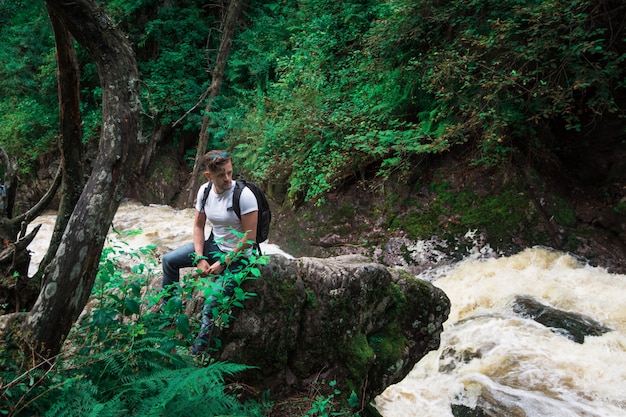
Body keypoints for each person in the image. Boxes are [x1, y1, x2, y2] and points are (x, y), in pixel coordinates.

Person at [161, 150, 259, 354]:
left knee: (212, 304)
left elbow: (249, 239)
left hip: (239, 256)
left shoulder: (245, 195)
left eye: (230, 172)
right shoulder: (205, 191)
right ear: (209, 176)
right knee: (169, 260)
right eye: (221, 175)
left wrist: (224, 263)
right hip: (213, 246)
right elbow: (198, 226)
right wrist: (199, 258)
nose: (227, 179)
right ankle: (167, 316)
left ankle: (198, 356)